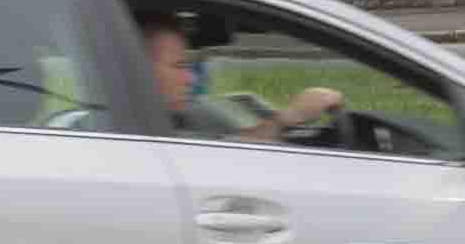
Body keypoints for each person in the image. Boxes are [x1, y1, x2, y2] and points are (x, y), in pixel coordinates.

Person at [142, 8, 345, 144]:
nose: (191, 79)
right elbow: (223, 161)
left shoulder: (159, 121)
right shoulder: (137, 136)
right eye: (178, 66)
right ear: (141, 68)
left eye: (188, 66)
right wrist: (289, 117)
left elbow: (228, 146)